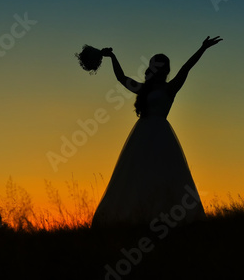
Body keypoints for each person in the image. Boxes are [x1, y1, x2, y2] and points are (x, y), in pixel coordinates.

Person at [91, 36, 223, 227]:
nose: (158, 69)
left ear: (166, 70)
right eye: (156, 65)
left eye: (161, 66)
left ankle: (168, 218)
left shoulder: (171, 88)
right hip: (142, 134)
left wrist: (203, 48)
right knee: (138, 175)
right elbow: (122, 78)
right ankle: (139, 216)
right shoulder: (143, 89)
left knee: (165, 173)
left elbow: (187, 67)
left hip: (162, 135)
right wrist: (112, 57)